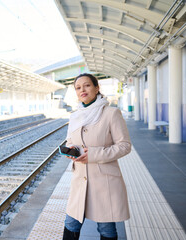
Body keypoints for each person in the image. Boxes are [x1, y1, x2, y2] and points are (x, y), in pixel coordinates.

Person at [63, 73, 131, 240]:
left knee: (106, 228)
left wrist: (93, 154)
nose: (82, 90)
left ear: (96, 87)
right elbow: (70, 141)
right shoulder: (75, 116)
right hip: (80, 180)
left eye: (86, 85)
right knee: (71, 223)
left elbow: (124, 146)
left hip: (104, 182)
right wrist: (70, 151)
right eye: (78, 88)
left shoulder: (111, 114)